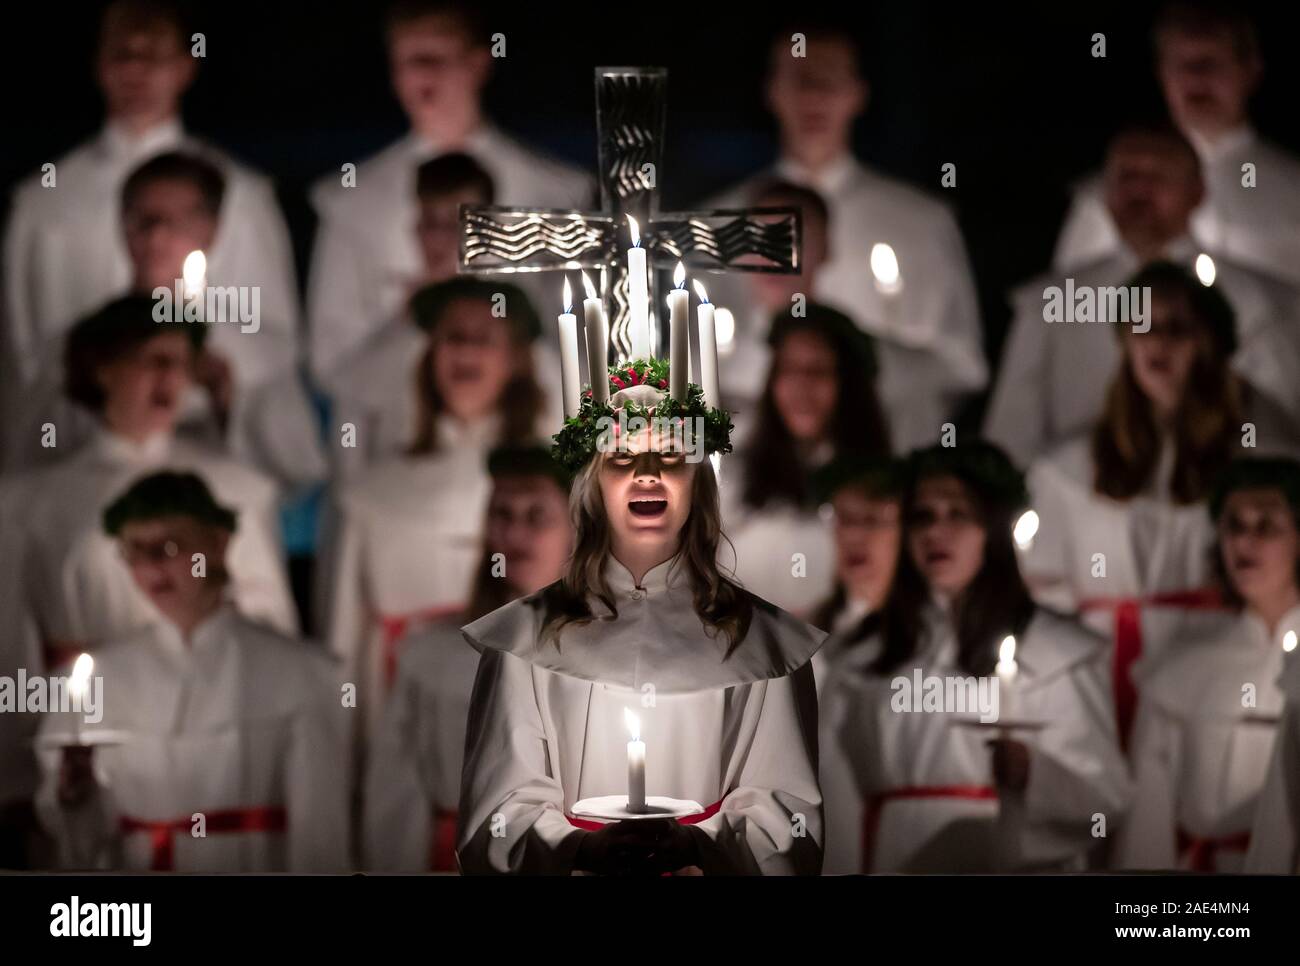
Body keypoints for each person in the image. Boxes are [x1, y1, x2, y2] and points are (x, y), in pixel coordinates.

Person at [456, 354, 826, 875]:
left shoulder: (762, 643)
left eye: (671, 456)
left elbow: (788, 821)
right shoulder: (525, 638)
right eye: (623, 457)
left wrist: (696, 845)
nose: (648, 475)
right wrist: (582, 849)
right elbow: (496, 816)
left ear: (699, 482)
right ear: (593, 485)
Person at [2, 0, 300, 456]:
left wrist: (206, 352)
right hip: (78, 449)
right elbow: (21, 350)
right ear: (99, 64)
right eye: (123, 53)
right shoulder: (46, 201)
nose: (136, 69)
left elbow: (276, 335)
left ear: (186, 66)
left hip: (210, 442)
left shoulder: (242, 194)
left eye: (154, 55)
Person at [1020, 262, 1295, 752]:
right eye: (1141, 326)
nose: (1156, 342)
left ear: (1207, 342)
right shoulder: (1069, 468)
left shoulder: (1256, 454)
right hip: (1103, 677)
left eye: (1176, 328)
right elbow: (1045, 587)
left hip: (1216, 670)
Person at [824, 441, 1130, 873]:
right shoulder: (862, 657)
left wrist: (1034, 774)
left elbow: (1107, 795)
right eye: (922, 517)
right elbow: (832, 793)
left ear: (993, 527)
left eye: (958, 514)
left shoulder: (1056, 650)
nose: (936, 532)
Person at [34, 472, 348, 872]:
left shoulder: (302, 673)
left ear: (218, 544)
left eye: (168, 546)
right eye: (134, 549)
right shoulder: (94, 678)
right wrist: (74, 794)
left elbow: (320, 838)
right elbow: (78, 835)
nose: (151, 565)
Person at [709, 25, 986, 444]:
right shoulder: (715, 225)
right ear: (771, 91)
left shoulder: (922, 221)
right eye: (800, 79)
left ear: (857, 94)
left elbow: (960, 370)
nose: (814, 95)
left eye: (829, 80)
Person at [0, 295, 297, 672]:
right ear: (103, 368)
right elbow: (13, 648)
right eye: (156, 361)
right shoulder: (31, 503)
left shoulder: (240, 489)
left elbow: (273, 625)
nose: (171, 379)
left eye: (183, 364)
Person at [986, 122, 1300, 468]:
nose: (1139, 188)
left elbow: (1283, 425)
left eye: (1158, 175)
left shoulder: (1263, 300)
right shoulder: (1050, 304)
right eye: (1127, 175)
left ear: (1197, 192)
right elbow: (1011, 437)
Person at [318, 279, 549, 749]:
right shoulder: (370, 495)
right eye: (451, 336)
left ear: (517, 359)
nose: (465, 348)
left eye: (484, 337)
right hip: (406, 725)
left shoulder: (560, 485)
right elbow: (342, 648)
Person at [306, 0, 590, 380]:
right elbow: (331, 361)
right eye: (408, 61)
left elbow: (580, 355)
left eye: (435, 57)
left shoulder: (558, 195)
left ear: (479, 62)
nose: (422, 75)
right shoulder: (350, 200)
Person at [7, 153, 322, 490]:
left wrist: (226, 402)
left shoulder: (257, 352)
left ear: (212, 229)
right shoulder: (80, 343)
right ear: (121, 224)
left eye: (180, 218)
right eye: (142, 217)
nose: (157, 233)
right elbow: (26, 462)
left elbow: (296, 471)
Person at [364, 445, 574, 871]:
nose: (514, 536)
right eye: (502, 515)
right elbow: (395, 796)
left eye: (536, 517)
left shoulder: (609, 654)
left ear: (576, 531)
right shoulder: (431, 654)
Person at [1119, 458, 1299, 871]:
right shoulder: (1181, 666)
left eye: (1266, 526)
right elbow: (1147, 821)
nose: (1244, 542)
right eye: (1233, 525)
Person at [1053, 2, 1300, 286]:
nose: (1196, 78)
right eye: (1183, 64)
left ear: (1250, 68)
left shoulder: (1293, 193)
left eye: (1211, 62)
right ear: (1162, 73)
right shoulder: (1104, 199)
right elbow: (1072, 305)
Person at [722, 304, 891, 619]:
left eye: (817, 372)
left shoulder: (877, 492)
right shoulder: (736, 472)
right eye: (789, 370)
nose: (801, 387)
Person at [805, 456, 903, 874]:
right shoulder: (808, 633)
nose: (855, 536)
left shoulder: (917, 643)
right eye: (845, 519)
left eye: (874, 521)